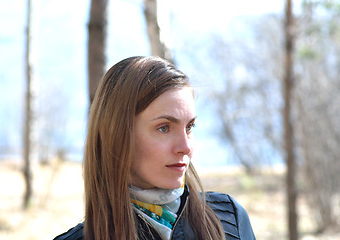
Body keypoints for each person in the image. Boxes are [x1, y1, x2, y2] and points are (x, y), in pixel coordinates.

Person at [53, 56, 256, 240]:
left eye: (189, 127)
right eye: (164, 128)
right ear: (117, 135)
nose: (185, 147)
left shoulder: (230, 221)